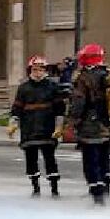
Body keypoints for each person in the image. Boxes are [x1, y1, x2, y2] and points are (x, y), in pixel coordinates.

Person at [65, 43, 110, 205]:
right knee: (104, 158)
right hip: (106, 123)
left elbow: (78, 102)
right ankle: (105, 189)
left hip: (89, 124)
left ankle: (97, 195)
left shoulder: (83, 77)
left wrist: (71, 121)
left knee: (90, 160)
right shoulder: (108, 73)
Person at [8, 55, 66, 197]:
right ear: (30, 70)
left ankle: (54, 188)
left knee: (50, 159)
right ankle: (35, 187)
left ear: (45, 70)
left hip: (47, 129)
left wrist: (59, 127)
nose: (38, 72)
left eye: (41, 69)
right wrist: (13, 123)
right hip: (29, 129)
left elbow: (60, 109)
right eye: (35, 69)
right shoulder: (24, 88)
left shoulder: (52, 87)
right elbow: (17, 108)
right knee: (31, 159)